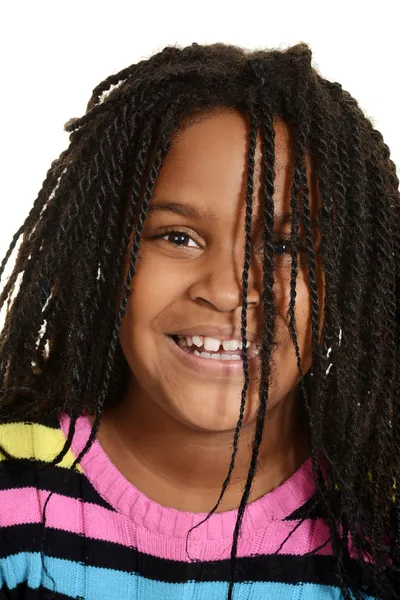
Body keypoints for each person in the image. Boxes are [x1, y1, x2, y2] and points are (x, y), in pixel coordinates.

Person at [0, 41, 398, 600]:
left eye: (284, 246)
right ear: (108, 255)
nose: (229, 290)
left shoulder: (379, 528)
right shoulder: (15, 493)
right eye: (178, 237)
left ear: (350, 281)